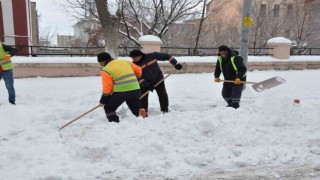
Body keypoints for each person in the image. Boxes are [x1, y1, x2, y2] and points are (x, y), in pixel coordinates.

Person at [129, 49, 183, 115]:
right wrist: (147, 85)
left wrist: (176, 64)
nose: (133, 59)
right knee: (143, 97)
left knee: (162, 94)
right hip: (145, 82)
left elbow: (166, 56)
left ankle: (164, 109)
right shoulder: (134, 65)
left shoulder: (151, 55)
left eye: (134, 57)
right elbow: (138, 78)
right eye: (132, 58)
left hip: (158, 79)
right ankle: (144, 112)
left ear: (139, 55)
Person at [97, 52, 146, 123]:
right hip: (136, 90)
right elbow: (138, 69)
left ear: (102, 61)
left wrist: (103, 101)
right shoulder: (125, 62)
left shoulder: (106, 70)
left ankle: (114, 123)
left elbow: (107, 88)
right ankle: (143, 118)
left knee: (109, 107)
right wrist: (137, 79)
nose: (100, 64)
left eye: (99, 62)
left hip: (121, 92)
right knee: (134, 106)